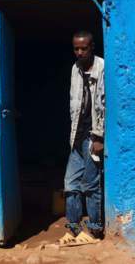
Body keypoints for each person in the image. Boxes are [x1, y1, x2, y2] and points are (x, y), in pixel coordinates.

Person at [59, 30, 105, 246]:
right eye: (76, 48)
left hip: (92, 135)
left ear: (92, 47)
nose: (79, 52)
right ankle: (74, 229)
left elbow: (103, 104)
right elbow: (74, 103)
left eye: (83, 48)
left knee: (91, 184)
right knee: (70, 183)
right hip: (77, 135)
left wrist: (99, 136)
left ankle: (94, 230)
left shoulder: (102, 67)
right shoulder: (74, 69)